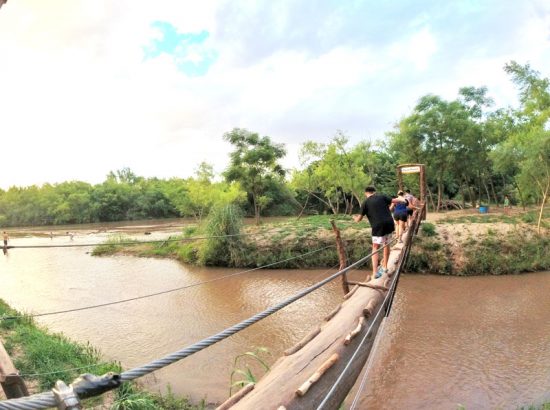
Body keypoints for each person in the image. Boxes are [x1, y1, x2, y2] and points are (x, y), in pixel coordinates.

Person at [353, 186, 407, 280]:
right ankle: (385, 267)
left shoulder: (365, 202)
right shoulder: (382, 196)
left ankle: (375, 272)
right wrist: (403, 200)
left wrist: (354, 218)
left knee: (375, 247)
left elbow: (359, 219)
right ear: (374, 192)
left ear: (366, 193)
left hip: (378, 226)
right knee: (386, 244)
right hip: (389, 224)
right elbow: (395, 200)